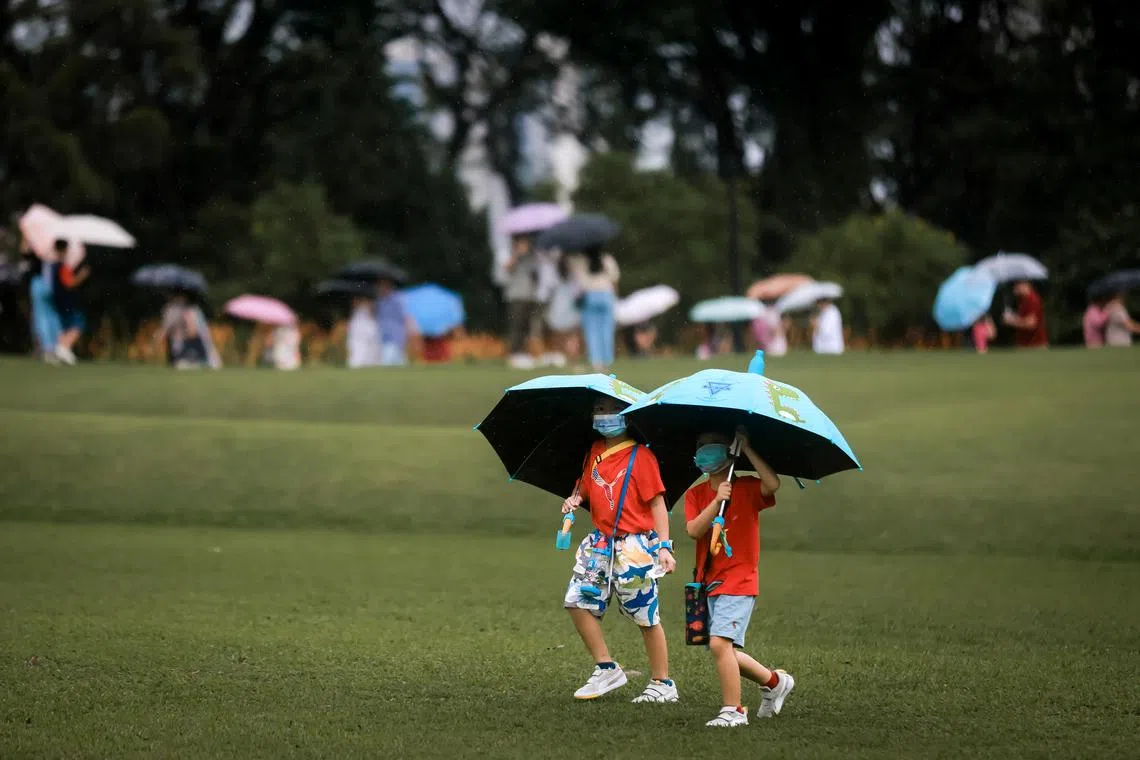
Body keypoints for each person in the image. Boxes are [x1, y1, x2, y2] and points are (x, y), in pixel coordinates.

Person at [560, 396, 677, 703]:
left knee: (645, 615)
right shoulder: (595, 451)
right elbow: (585, 486)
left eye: (611, 410)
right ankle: (606, 667)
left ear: (627, 416)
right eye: (598, 409)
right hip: (600, 543)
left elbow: (657, 503)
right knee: (577, 601)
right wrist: (575, 498)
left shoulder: (642, 457)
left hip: (634, 546)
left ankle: (662, 683)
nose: (603, 416)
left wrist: (664, 547)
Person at [683, 429, 792, 727]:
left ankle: (733, 711)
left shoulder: (745, 488)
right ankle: (774, 682)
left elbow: (773, 484)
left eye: (712, 446)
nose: (705, 451)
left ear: (729, 451)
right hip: (709, 582)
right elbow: (694, 530)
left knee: (720, 646)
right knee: (722, 649)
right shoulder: (695, 494)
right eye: (700, 446)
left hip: (740, 579)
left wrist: (749, 449)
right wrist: (716, 500)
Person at [568, 246, 620, 371]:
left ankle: (596, 361)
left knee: (592, 331)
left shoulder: (581, 261)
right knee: (606, 329)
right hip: (606, 295)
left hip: (590, 296)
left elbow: (578, 282)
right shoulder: (607, 259)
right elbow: (614, 280)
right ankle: (607, 360)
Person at [503, 235, 541, 369]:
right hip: (516, 296)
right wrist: (517, 255)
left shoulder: (531, 258)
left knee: (527, 327)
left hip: (529, 296)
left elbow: (537, 275)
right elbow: (507, 268)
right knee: (516, 326)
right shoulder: (510, 254)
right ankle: (513, 354)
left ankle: (524, 353)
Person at [22, 238, 61, 362]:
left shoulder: (39, 250)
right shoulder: (57, 252)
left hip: (39, 284)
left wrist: (26, 237)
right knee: (52, 316)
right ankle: (56, 346)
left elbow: (25, 253)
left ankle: (48, 348)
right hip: (53, 286)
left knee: (41, 317)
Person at [52, 239, 89, 365]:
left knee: (65, 326)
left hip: (58, 300)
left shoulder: (53, 264)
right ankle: (63, 348)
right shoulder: (63, 266)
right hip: (67, 300)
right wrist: (82, 275)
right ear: (65, 249)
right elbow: (70, 283)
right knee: (78, 324)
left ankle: (62, 349)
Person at [375, 277, 411, 366]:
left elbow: (406, 317)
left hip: (395, 336)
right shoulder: (378, 301)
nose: (381, 288)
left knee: (387, 361)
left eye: (383, 285)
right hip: (382, 337)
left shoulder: (398, 299)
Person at [1002, 281, 1047, 348]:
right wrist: (1012, 317)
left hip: (1035, 346)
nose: (1014, 288)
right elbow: (1023, 318)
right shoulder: (1023, 300)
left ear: (1024, 285)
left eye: (1016, 285)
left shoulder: (1032, 299)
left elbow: (1031, 323)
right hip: (1025, 345)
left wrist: (1011, 322)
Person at [347, 295, 381, 368]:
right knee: (358, 355)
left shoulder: (368, 309)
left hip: (368, 337)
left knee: (370, 354)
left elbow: (371, 320)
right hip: (358, 338)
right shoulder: (355, 313)